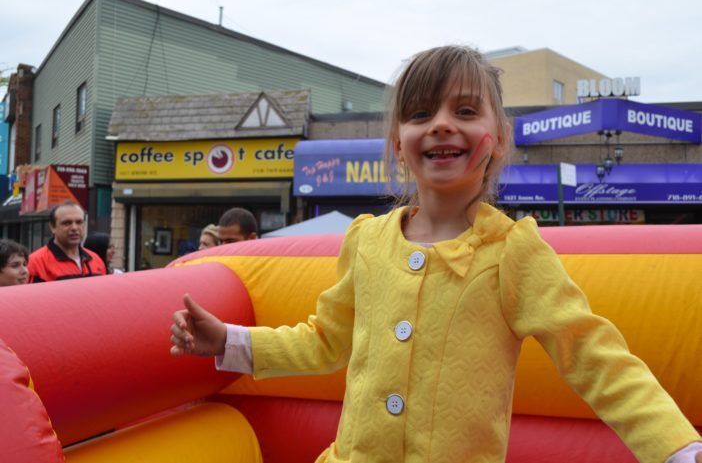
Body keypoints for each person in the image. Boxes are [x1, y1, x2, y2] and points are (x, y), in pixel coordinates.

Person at [169, 46, 702, 463]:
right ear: (399, 143)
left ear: (496, 139)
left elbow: (592, 355)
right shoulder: (368, 241)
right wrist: (232, 342)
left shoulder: (511, 252)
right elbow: (327, 340)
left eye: (465, 111)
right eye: (420, 113)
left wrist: (676, 445)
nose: (442, 123)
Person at [28, 201, 106, 282]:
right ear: (52, 227)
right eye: (67, 223)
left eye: (79, 222)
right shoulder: (36, 262)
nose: (74, 228)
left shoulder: (96, 259)